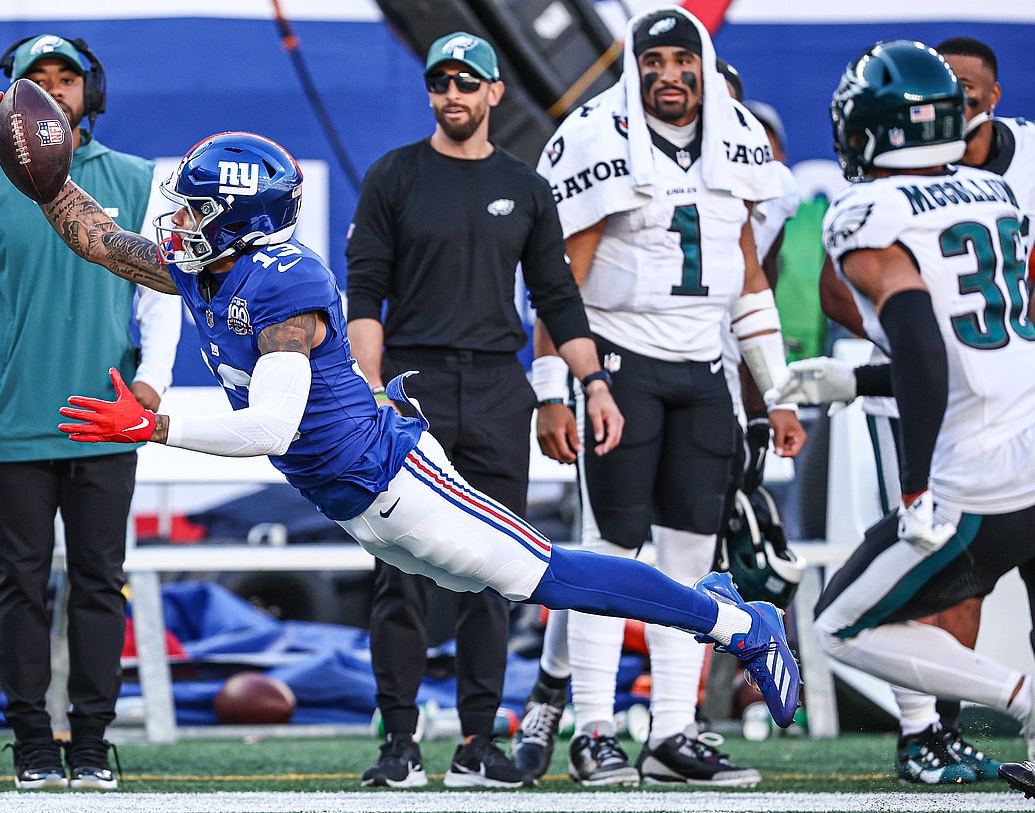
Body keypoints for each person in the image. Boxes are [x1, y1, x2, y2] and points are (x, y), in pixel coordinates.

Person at [0, 107, 804, 773]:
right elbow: (100, 240)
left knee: (542, 577)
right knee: (509, 580)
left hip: (399, 479)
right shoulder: (208, 262)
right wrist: (43, 173)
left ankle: (735, 621)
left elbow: (272, 422)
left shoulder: (284, 282)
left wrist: (157, 424)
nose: (179, 221)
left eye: (197, 208)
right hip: (357, 501)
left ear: (239, 216)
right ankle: (719, 607)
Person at [512, 6, 804, 787]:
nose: (669, 76)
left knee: (690, 561)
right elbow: (556, 283)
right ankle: (594, 729)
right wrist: (553, 390)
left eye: (684, 62)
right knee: (610, 553)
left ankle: (673, 731)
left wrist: (776, 390)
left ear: (704, 66)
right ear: (633, 69)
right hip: (619, 362)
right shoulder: (598, 137)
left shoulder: (734, 136)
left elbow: (748, 277)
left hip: (703, 367)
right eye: (655, 62)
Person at [343, 31, 618, 789]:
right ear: (431, 92)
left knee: (500, 572)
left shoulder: (527, 187)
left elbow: (558, 297)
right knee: (399, 571)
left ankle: (476, 743)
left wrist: (591, 383)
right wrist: (370, 392)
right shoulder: (393, 176)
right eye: (442, 83)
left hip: (500, 387)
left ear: (495, 93)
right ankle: (400, 742)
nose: (454, 95)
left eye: (469, 82)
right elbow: (364, 292)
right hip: (412, 386)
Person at [784, 34, 1032, 785]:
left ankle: (1019, 701)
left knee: (838, 624)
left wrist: (918, 486)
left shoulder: (869, 209)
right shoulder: (994, 192)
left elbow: (924, 349)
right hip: (1027, 440)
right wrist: (855, 385)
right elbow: (971, 354)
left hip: (979, 478)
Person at [0, 34, 180, 790]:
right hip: (13, 421)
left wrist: (154, 383)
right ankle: (34, 741)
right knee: (19, 582)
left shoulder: (138, 180)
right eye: (33, 78)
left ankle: (92, 739)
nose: (52, 90)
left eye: (64, 78)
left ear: (88, 90)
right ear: (10, 94)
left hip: (108, 419)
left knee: (102, 582)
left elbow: (161, 293)